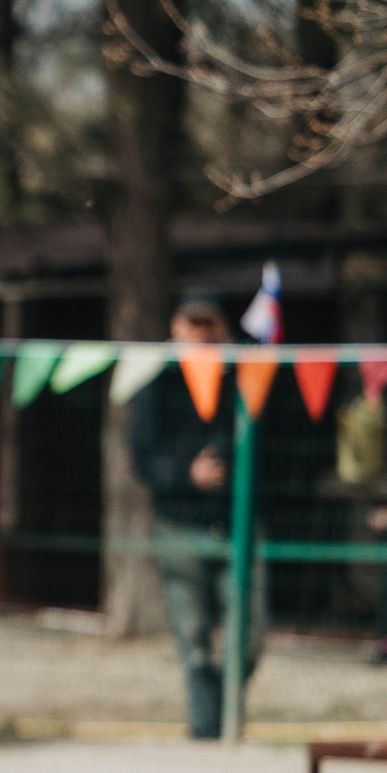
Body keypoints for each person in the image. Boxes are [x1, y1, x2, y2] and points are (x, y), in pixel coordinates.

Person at [129, 300, 263, 739]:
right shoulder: (155, 378)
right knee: (194, 638)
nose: (203, 333)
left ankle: (223, 716)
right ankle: (208, 732)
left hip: (238, 524)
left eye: (211, 324)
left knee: (251, 635)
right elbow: (142, 457)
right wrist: (188, 472)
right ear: (176, 326)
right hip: (178, 524)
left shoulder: (246, 374)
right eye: (194, 323)